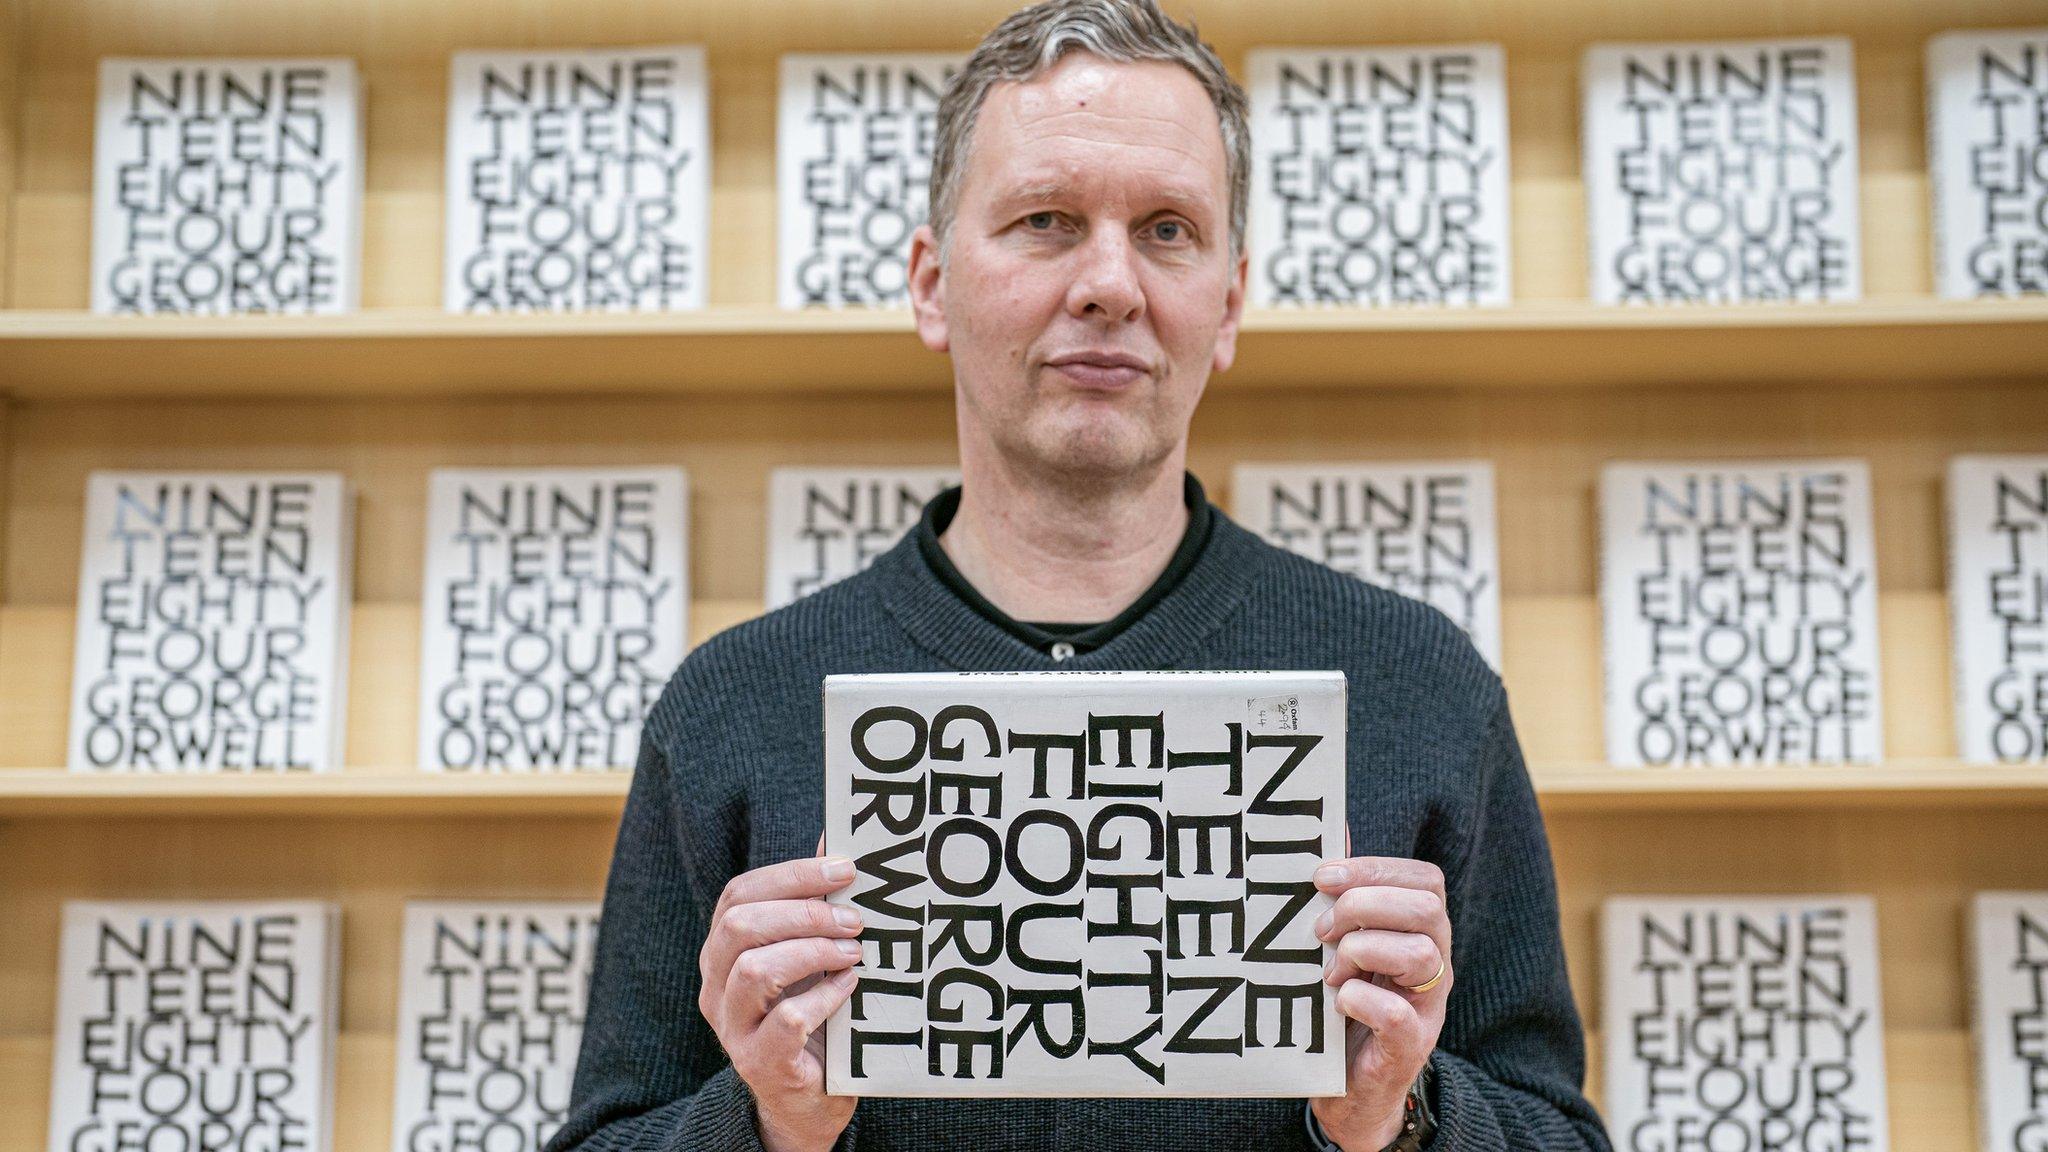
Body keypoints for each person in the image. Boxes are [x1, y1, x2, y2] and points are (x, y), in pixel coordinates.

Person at [548, 2, 1610, 1149]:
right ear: (929, 285)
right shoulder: (731, 705)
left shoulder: (1419, 686)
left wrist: (1396, 1119)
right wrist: (768, 1125)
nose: (1110, 283)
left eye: (1165, 231)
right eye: (1046, 221)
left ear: (1229, 305)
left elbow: (1556, 1130)